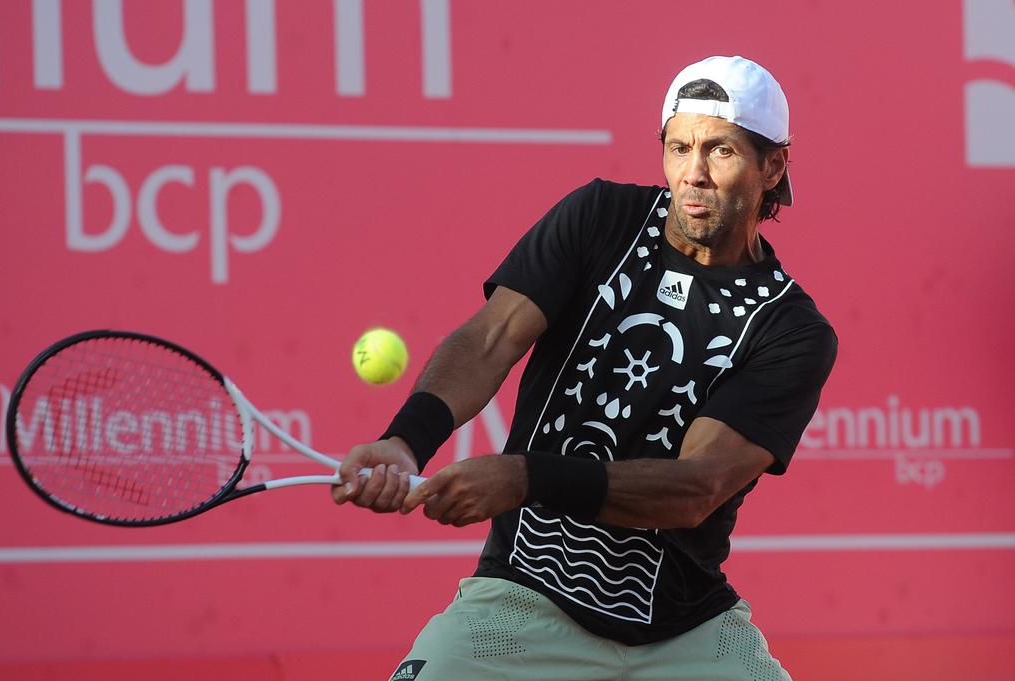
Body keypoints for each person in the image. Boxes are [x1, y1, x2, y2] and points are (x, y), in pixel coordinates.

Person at [333, 55, 837, 681]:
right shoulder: (601, 218)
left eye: (721, 151)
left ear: (774, 166)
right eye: (678, 147)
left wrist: (524, 478)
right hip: (522, 600)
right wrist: (406, 442)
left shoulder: (790, 329)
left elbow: (695, 488)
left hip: (685, 631)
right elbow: (491, 339)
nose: (694, 174)